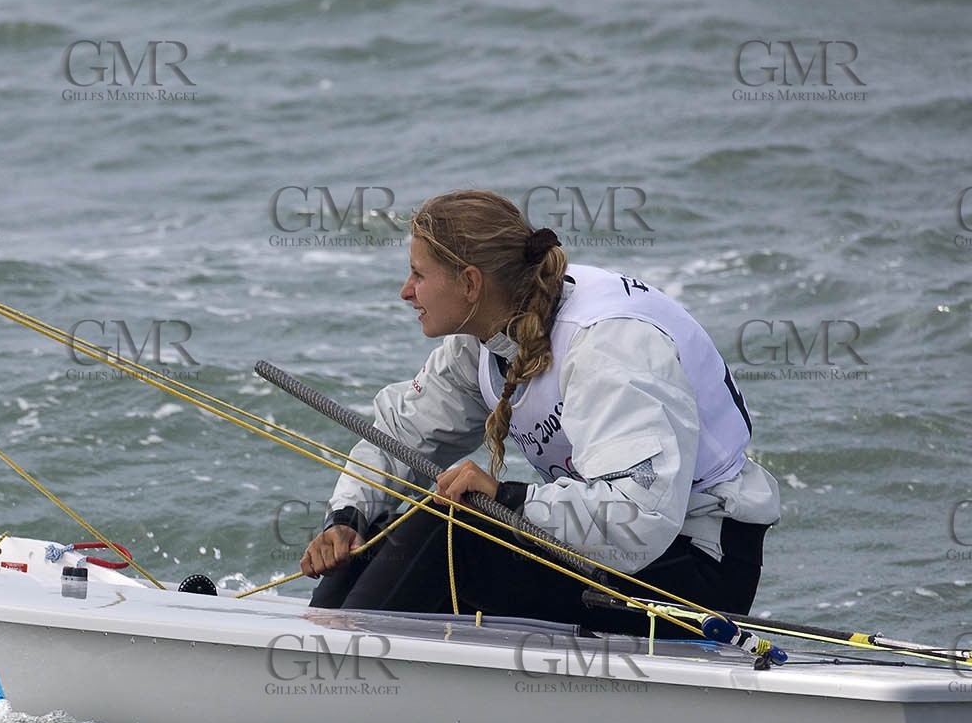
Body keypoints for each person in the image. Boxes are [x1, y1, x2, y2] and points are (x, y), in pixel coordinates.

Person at [299, 189, 780, 633]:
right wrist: (347, 518)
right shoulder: (486, 336)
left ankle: (345, 658)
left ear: (470, 282)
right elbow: (402, 434)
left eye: (419, 275)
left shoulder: (607, 345)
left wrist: (510, 499)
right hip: (615, 555)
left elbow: (641, 518)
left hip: (692, 569)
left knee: (445, 530)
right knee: (382, 536)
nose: (406, 292)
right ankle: (328, 639)